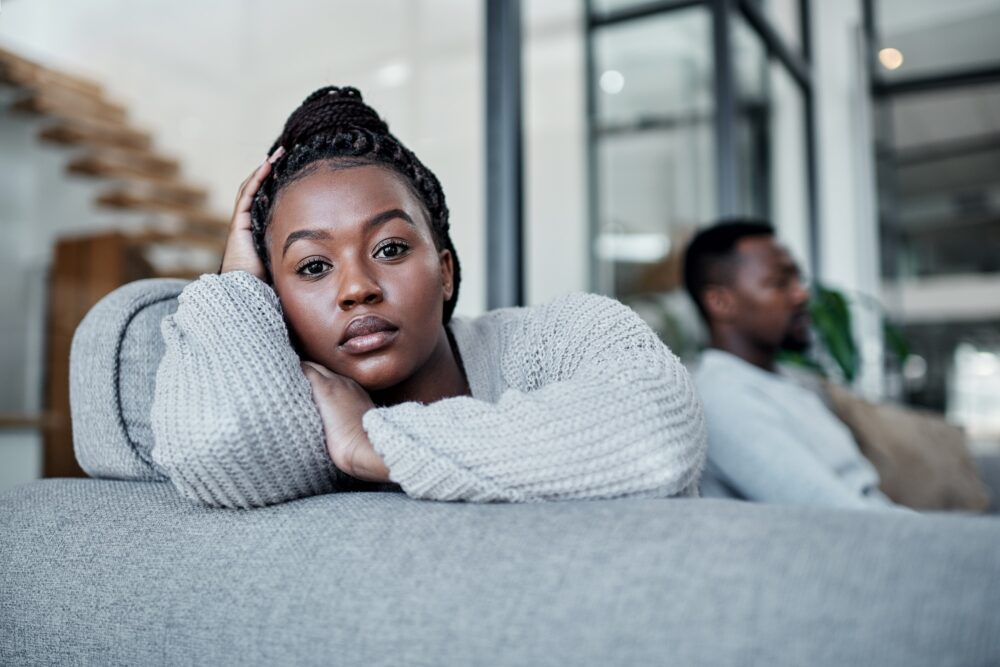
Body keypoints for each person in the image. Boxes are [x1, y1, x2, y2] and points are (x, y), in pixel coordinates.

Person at [151, 85, 706, 509]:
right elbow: (212, 445)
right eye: (314, 266)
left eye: (390, 248)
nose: (356, 288)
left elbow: (656, 437)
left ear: (443, 271)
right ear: (276, 301)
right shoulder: (293, 414)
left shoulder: (555, 335)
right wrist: (238, 291)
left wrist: (371, 445)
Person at [682, 220, 899, 509]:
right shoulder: (721, 398)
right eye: (780, 282)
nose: (801, 294)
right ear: (720, 302)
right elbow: (833, 513)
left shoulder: (784, 381)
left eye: (798, 278)